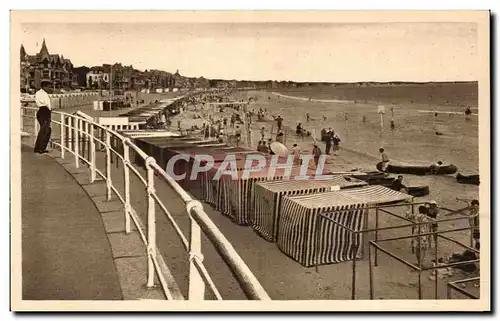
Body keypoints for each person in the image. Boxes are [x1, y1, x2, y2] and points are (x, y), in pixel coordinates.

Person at [33, 88, 52, 154]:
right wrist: (47, 106)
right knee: (44, 131)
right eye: (49, 86)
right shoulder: (40, 93)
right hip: (44, 111)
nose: (50, 88)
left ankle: (41, 147)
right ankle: (39, 148)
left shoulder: (43, 93)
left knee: (47, 130)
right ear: (45, 86)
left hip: (45, 111)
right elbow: (42, 102)